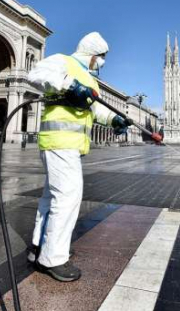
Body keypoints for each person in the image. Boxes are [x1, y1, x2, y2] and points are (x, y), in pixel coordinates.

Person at [26, 32, 131, 282]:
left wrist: (113, 118)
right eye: (102, 57)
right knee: (68, 197)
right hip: (59, 141)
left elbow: (95, 109)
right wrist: (68, 85)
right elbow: (35, 75)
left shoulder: (89, 79)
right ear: (92, 55)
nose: (103, 62)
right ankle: (53, 258)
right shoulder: (64, 61)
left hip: (68, 145)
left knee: (51, 198)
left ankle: (38, 247)